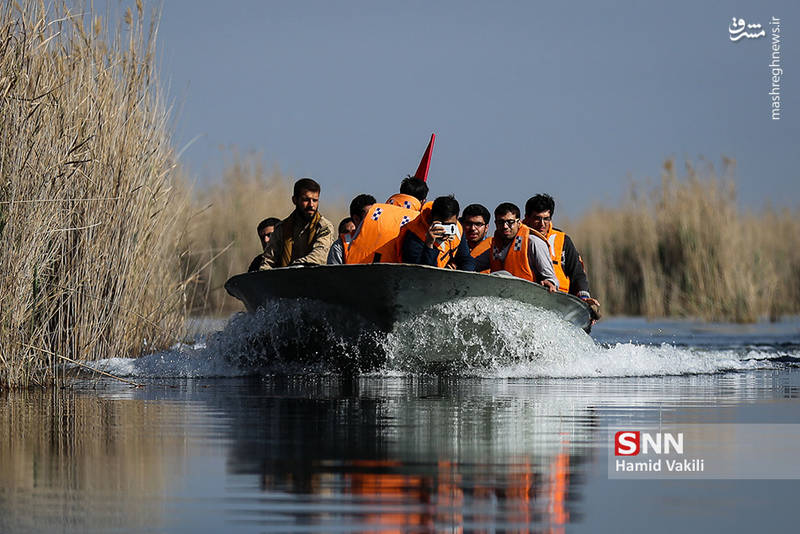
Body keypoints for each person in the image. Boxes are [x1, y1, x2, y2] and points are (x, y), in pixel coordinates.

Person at [523, 194, 601, 319]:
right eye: (537, 218)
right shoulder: (515, 238)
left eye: (546, 219)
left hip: (559, 301)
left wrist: (584, 299)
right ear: (526, 218)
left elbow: (577, 274)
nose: (542, 224)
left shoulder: (563, 240)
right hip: (526, 299)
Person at [476, 202, 558, 291]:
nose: (505, 226)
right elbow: (473, 265)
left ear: (518, 223)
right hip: (502, 296)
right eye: (501, 222)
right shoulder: (495, 246)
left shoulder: (533, 243)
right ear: (495, 223)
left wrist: (550, 282)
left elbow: (551, 278)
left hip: (528, 295)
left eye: (510, 222)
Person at [258, 178, 335, 269]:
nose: (311, 205)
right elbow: (269, 260)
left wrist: (295, 267)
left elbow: (320, 255)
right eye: (306, 200)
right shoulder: (282, 228)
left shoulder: (324, 226)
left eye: (315, 200)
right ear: (295, 200)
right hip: (285, 280)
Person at [400, 195, 476, 271]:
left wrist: (459, 274)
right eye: (441, 224)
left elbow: (466, 259)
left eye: (450, 225)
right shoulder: (415, 233)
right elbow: (420, 272)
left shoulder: (458, 229)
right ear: (432, 218)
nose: (445, 230)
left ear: (457, 219)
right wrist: (429, 245)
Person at [327, 194, 376, 265]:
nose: (375, 219)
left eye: (375, 215)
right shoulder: (340, 246)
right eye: (370, 216)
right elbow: (333, 274)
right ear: (356, 219)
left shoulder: (388, 239)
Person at [460, 203, 491, 273]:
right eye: (468, 223)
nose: (473, 228)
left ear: (486, 227)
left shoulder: (493, 249)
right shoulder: (454, 247)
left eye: (478, 224)